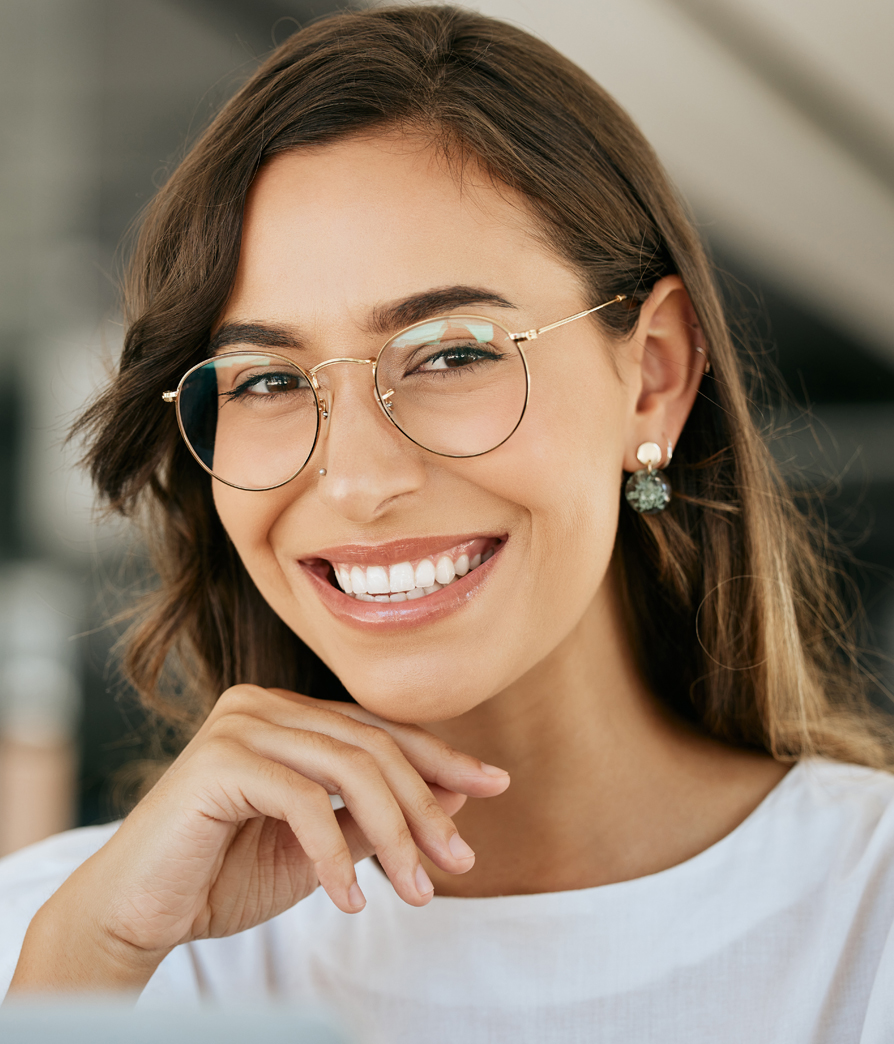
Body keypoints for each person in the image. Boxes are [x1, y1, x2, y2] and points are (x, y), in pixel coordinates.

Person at [1, 5, 893, 1041]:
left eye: (452, 354)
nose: (356, 481)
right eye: (268, 379)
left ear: (653, 377)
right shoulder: (71, 937)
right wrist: (89, 972)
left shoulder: (865, 921)